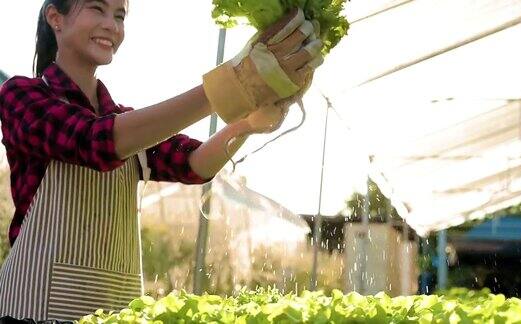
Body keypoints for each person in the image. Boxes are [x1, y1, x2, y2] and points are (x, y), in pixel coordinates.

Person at [0, 0, 321, 321]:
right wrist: (228, 87)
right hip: (35, 307)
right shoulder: (21, 96)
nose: (112, 25)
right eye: (97, 9)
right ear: (56, 17)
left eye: (120, 16)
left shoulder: (125, 122)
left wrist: (249, 123)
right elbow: (93, 141)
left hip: (113, 306)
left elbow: (195, 163)